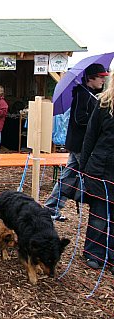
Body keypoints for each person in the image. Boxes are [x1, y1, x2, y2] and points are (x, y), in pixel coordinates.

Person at [45, 63, 108, 221]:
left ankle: (51, 208)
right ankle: (100, 211)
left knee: (66, 178)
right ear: (90, 78)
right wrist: (98, 122)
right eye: (100, 77)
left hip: (77, 144)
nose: (102, 80)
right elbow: (79, 119)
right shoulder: (83, 94)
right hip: (81, 145)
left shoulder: (89, 94)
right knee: (92, 177)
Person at [79, 70, 114, 273]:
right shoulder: (103, 105)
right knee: (99, 213)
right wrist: (83, 168)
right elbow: (90, 137)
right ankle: (94, 252)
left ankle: (111, 253)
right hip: (100, 168)